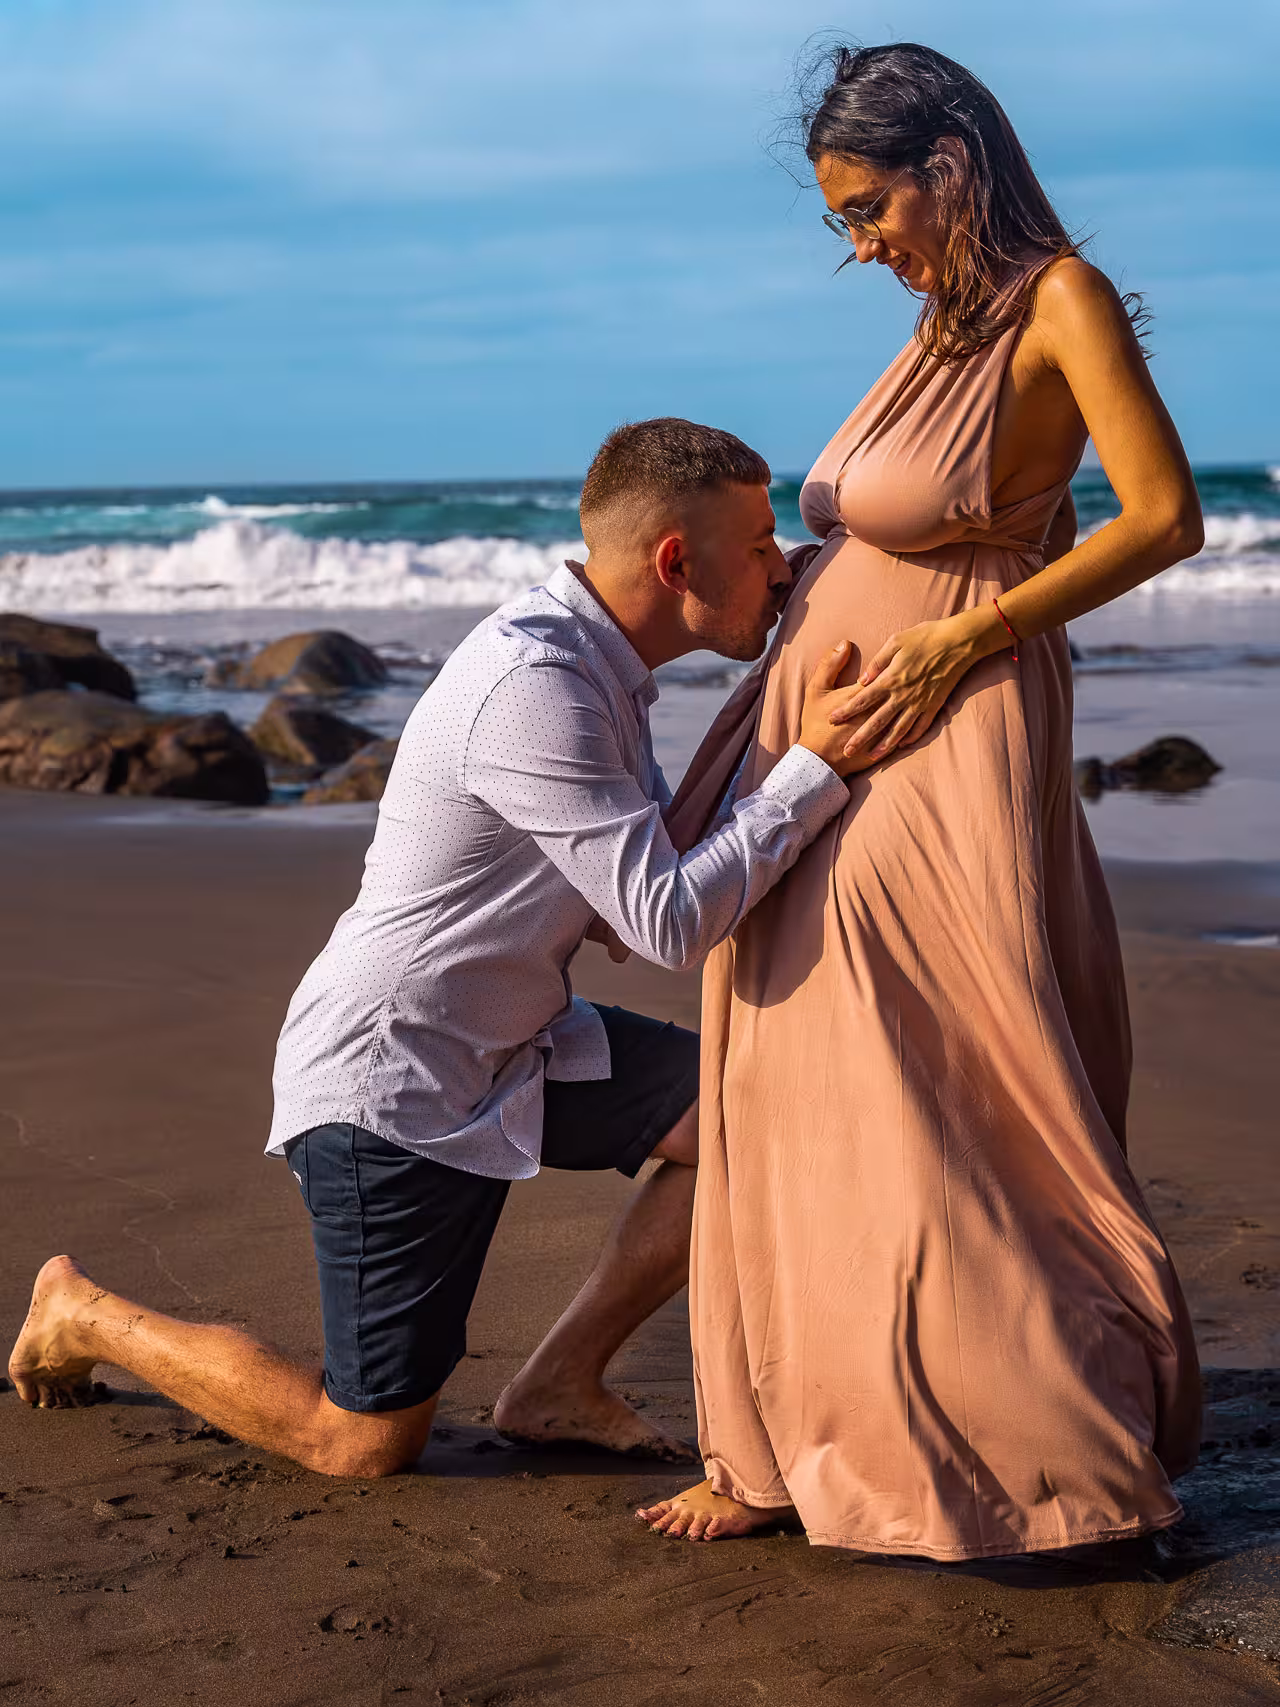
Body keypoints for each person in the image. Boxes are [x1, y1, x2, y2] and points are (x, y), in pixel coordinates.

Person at [9, 418, 872, 1480]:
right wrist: (810, 770)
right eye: (758, 542)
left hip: (521, 1038)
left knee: (751, 1119)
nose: (781, 568)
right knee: (363, 1440)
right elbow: (664, 924)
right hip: (393, 1082)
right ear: (673, 561)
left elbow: (614, 903)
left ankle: (555, 1383)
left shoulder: (599, 671)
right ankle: (83, 1310)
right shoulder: (536, 689)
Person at [640, 43, 1204, 1553]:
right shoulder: (941, 325)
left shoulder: (1056, 303)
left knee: (938, 1067)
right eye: (841, 219)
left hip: (944, 727)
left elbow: (1165, 517)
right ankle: (790, 1433)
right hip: (842, 733)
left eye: (867, 207)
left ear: (949, 163)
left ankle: (1027, 1452)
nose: (859, 244)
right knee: (785, 1061)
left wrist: (965, 632)